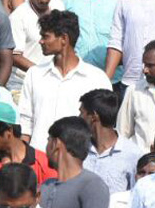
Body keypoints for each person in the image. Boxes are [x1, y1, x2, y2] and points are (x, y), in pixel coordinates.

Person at [18, 9, 112, 152]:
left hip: (79, 160)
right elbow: (25, 121)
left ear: (64, 39)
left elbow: (104, 127)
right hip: (39, 159)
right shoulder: (34, 74)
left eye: (46, 36)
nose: (41, 41)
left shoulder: (97, 79)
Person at [79, 88, 143, 195]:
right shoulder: (78, 149)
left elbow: (136, 196)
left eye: (82, 113)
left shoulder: (132, 155)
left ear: (94, 116)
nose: (79, 117)